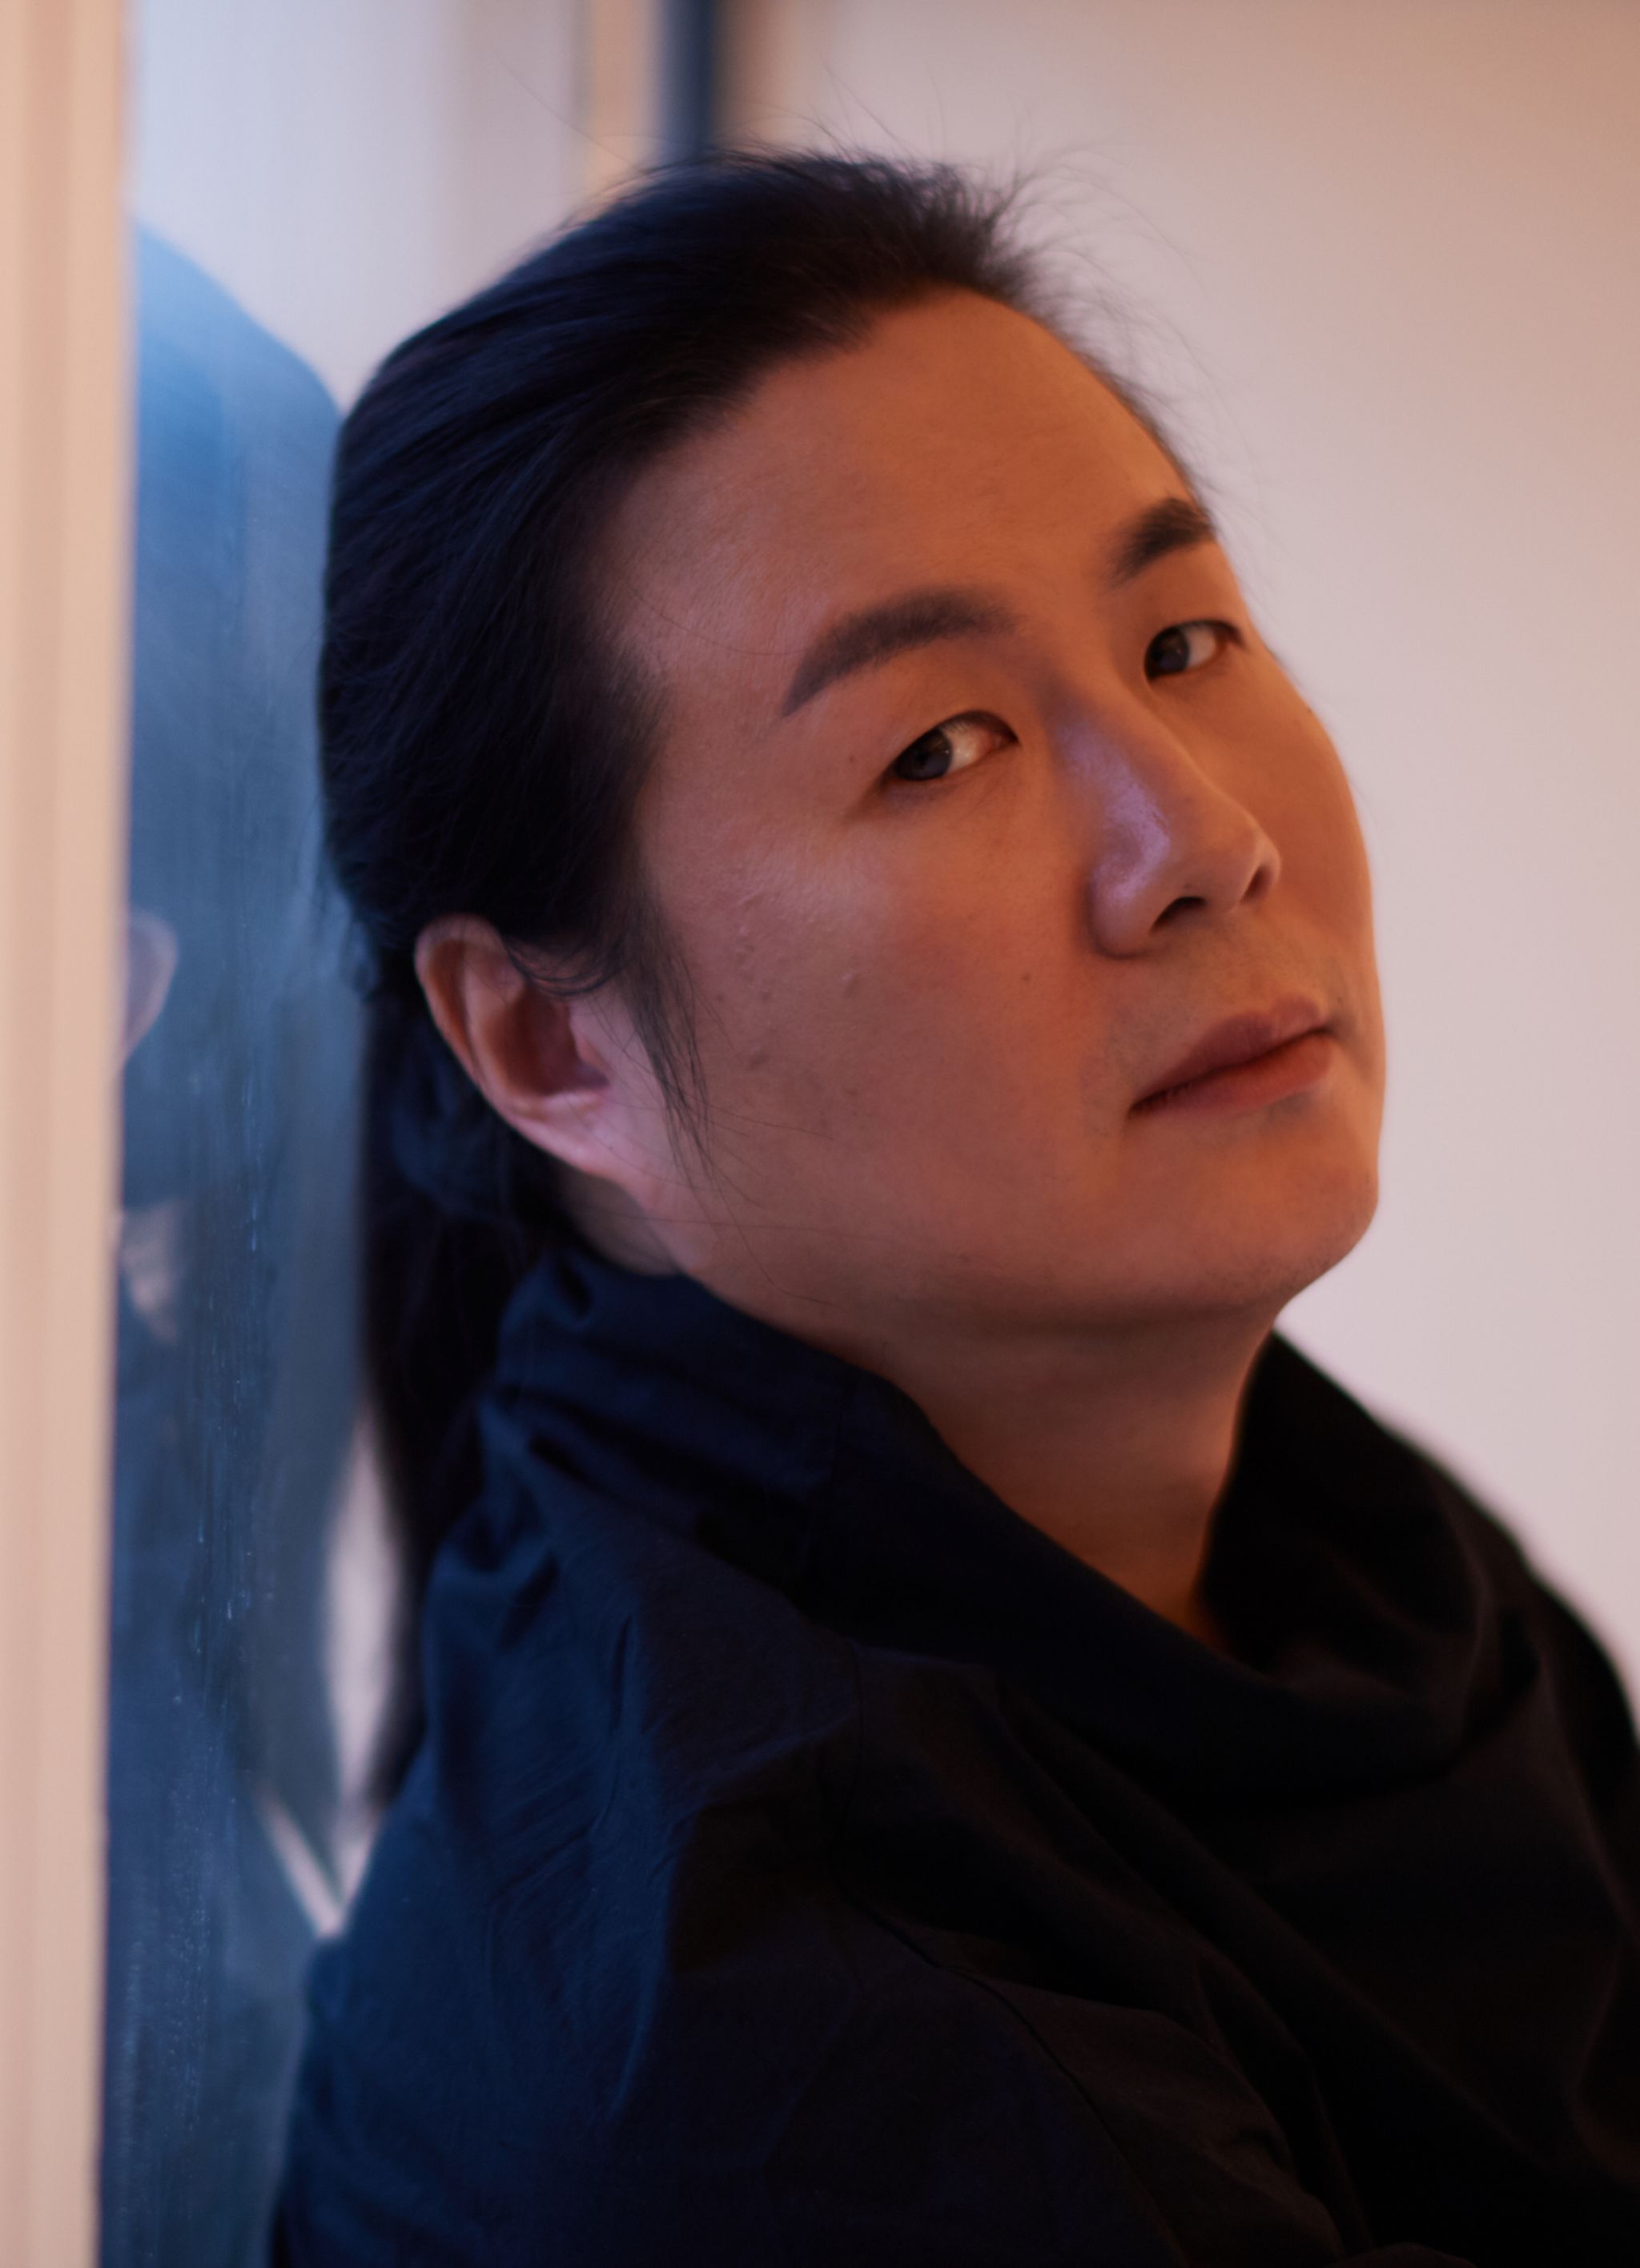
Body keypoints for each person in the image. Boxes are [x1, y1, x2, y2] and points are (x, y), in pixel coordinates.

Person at [273, 152, 1640, 2265]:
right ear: (550, 1047)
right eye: (941, 748)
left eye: (1186, 638)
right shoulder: (794, 2056)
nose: (1199, 836)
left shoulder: (1358, 1576)